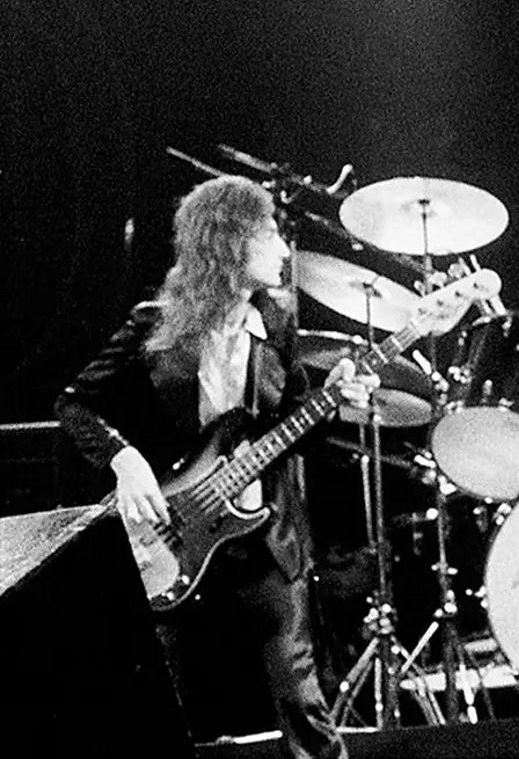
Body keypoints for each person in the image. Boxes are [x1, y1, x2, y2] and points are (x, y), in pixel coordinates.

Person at [57, 176, 380, 759]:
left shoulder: (275, 325)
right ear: (231, 242)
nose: (284, 250)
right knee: (161, 705)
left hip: (266, 536)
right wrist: (124, 459)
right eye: (271, 234)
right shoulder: (154, 324)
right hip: (175, 533)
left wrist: (334, 401)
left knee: (301, 699)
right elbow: (75, 404)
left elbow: (294, 430)